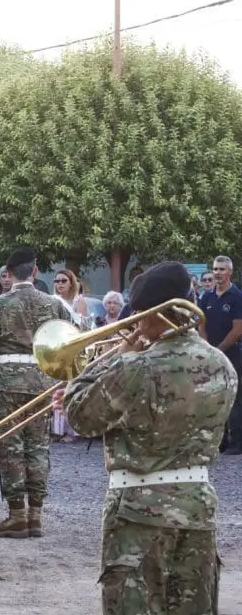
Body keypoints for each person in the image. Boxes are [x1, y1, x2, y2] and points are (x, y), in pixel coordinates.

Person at [64, 261, 237, 615]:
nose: (135, 322)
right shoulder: (222, 364)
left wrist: (115, 360)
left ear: (151, 312)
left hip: (138, 510)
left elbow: (79, 415)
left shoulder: (135, 367)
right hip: (197, 507)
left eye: (139, 314)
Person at [0, 246, 70, 538]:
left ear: (9, 275)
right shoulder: (56, 304)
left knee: (10, 446)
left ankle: (16, 515)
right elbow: (73, 340)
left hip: (10, 383)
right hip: (43, 383)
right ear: (36, 272)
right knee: (38, 447)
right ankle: (36, 515)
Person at [198, 255, 242, 455]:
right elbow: (201, 324)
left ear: (230, 272)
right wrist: (207, 348)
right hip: (211, 355)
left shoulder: (237, 297)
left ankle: (237, 442)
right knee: (213, 398)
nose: (217, 273)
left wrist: (219, 349)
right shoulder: (206, 297)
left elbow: (237, 329)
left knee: (234, 398)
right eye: (215, 269)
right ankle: (219, 441)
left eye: (222, 269)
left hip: (232, 354)